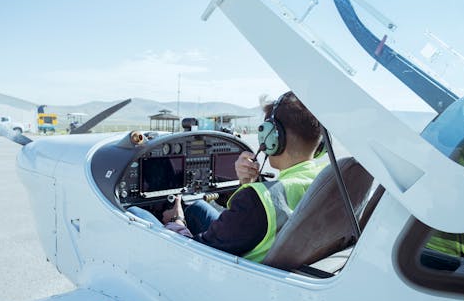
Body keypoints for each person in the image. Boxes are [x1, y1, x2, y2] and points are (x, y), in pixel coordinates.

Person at [128, 91, 325, 263]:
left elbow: (198, 250)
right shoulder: (324, 177)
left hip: (231, 269)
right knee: (196, 207)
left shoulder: (257, 200)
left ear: (272, 137)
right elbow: (257, 219)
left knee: (137, 212)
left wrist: (177, 221)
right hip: (275, 254)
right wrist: (246, 183)